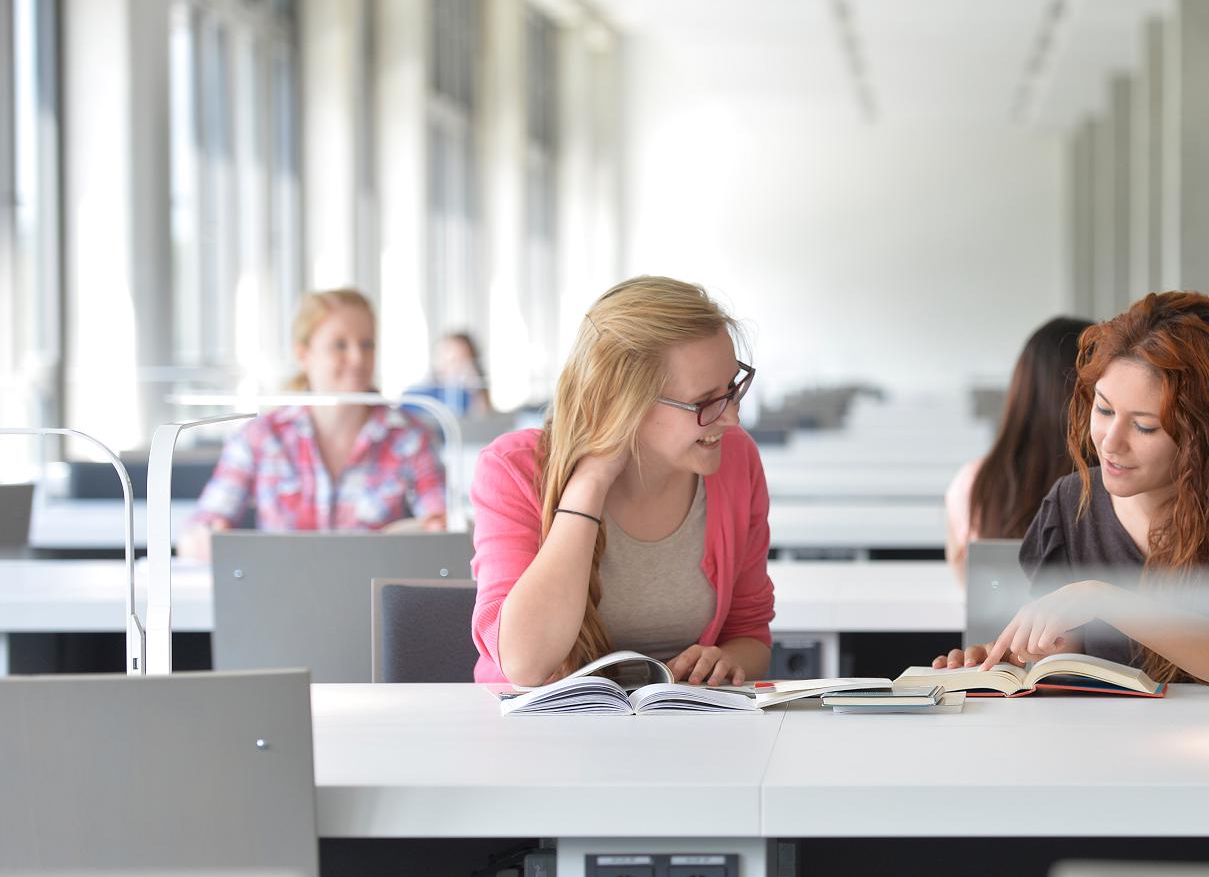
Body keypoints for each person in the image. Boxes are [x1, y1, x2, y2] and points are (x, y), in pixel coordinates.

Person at [935, 292, 1209, 693]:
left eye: (1144, 426)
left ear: (1207, 435)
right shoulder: (1069, 503)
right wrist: (1005, 658)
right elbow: (1066, 654)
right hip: (1102, 745)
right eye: (1105, 410)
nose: (1110, 442)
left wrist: (1107, 599)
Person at [469, 275, 773, 688]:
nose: (731, 418)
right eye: (704, 403)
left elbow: (751, 634)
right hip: (538, 741)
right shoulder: (512, 469)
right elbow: (524, 663)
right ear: (623, 402)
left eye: (732, 388)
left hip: (689, 732)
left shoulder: (736, 460)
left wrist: (725, 661)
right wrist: (592, 479)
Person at [178, 288, 447, 561]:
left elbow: (442, 524)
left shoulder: (410, 437)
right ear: (304, 354)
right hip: (278, 594)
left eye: (367, 344)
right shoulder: (260, 437)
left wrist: (438, 527)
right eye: (339, 345)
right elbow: (202, 526)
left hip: (370, 598)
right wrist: (205, 537)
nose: (357, 358)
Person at [944, 316, 1089, 582]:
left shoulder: (972, 483)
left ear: (1021, 388)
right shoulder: (1116, 486)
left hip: (1002, 625)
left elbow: (966, 588)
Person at [409, 331, 493, 418]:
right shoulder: (418, 394)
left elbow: (483, 421)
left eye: (460, 360)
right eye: (445, 355)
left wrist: (475, 389)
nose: (454, 367)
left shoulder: (469, 393)